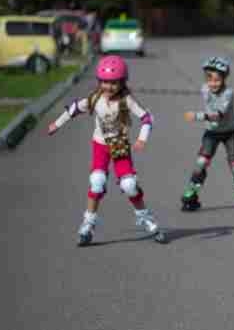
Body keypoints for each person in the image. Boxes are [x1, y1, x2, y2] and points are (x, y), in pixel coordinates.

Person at [48, 55, 166, 246]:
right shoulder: (95, 98)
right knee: (97, 182)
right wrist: (57, 124)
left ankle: (146, 218)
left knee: (129, 185)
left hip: (119, 146)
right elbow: (74, 109)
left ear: (122, 82)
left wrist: (142, 138)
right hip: (100, 146)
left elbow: (147, 118)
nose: (108, 87)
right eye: (104, 82)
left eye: (113, 83)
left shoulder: (127, 100)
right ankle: (88, 224)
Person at [181, 56, 234, 213]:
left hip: (230, 132)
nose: (213, 83)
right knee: (201, 162)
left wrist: (197, 116)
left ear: (224, 78)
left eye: (217, 80)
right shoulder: (204, 89)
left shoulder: (228, 94)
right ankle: (192, 192)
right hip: (212, 132)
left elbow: (218, 115)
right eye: (209, 79)